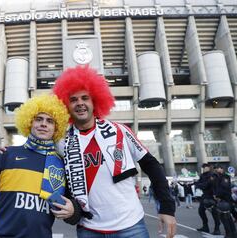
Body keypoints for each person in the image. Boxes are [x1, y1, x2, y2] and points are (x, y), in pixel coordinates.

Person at [52, 65, 177, 238]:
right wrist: (3, 153)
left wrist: (167, 207)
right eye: (73, 99)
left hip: (131, 226)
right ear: (66, 105)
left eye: (85, 98)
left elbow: (151, 165)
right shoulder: (61, 141)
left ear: (94, 101)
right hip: (88, 229)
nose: (80, 103)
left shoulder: (120, 131)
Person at [0, 94, 79, 238]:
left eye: (50, 121)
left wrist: (73, 211)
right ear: (29, 122)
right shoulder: (8, 154)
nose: (43, 124)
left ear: (56, 128)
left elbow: (73, 206)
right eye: (38, 119)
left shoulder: (61, 164)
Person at [194, 163, 220, 234]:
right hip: (205, 195)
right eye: (203, 167)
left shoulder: (213, 175)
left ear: (209, 168)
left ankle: (217, 229)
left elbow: (207, 185)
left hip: (213, 196)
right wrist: (200, 185)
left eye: (205, 167)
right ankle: (205, 227)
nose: (204, 168)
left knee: (215, 213)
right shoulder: (202, 175)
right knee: (201, 211)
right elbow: (198, 184)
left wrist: (200, 185)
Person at [212, 164, 237, 238]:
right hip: (223, 199)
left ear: (221, 169)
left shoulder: (225, 176)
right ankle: (233, 233)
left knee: (225, 218)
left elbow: (223, 187)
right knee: (228, 217)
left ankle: (230, 234)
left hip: (226, 199)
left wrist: (216, 195)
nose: (216, 170)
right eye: (215, 169)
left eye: (217, 168)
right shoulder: (218, 177)